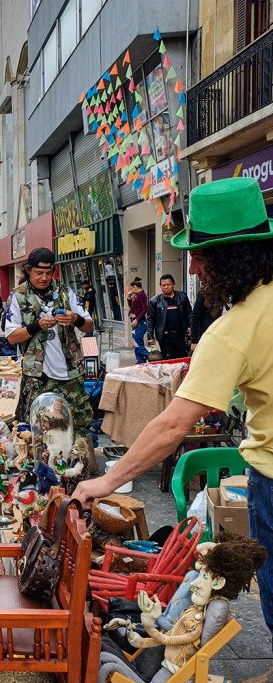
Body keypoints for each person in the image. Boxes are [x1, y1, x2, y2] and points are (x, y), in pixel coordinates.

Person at [74, 177, 273, 645]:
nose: (195, 266)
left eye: (201, 254)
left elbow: (172, 425)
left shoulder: (234, 329)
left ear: (228, 258)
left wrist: (106, 481)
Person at [3, 247, 94, 429]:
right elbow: (12, 337)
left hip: (71, 372)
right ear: (28, 270)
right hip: (38, 376)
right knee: (39, 429)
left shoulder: (65, 293)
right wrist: (37, 325)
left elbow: (89, 326)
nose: (44, 278)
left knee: (78, 425)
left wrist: (75, 319)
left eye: (48, 272)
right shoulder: (17, 296)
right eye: (39, 273)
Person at [146, 273, 192, 359]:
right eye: (163, 285)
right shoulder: (155, 301)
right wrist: (150, 336)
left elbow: (189, 315)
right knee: (168, 360)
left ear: (173, 284)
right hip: (165, 336)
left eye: (168, 284)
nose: (166, 287)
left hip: (181, 335)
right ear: (160, 286)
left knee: (182, 359)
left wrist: (191, 333)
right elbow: (150, 319)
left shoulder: (182, 297)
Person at [127, 278, 149, 364]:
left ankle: (147, 355)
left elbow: (145, 309)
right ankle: (140, 359)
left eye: (132, 288)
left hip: (139, 321)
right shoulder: (137, 295)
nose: (131, 290)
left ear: (135, 287)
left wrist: (137, 319)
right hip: (134, 319)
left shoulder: (141, 295)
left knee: (137, 340)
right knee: (135, 341)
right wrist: (129, 298)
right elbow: (132, 306)